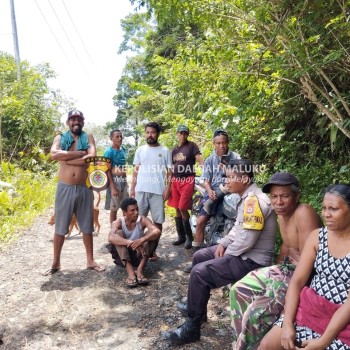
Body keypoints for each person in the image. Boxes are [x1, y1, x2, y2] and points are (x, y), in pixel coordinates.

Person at [161, 159, 278, 345]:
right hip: (242, 253)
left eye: (231, 177)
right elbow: (237, 230)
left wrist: (225, 253)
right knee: (200, 256)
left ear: (245, 179)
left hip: (252, 260)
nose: (227, 181)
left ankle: (192, 327)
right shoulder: (247, 197)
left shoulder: (254, 201)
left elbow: (247, 241)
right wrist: (223, 243)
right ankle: (199, 310)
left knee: (200, 273)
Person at [230, 172, 323, 349]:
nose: (278, 202)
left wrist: (294, 259)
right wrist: (278, 266)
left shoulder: (304, 212)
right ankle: (244, 341)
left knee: (256, 311)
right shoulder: (281, 214)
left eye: (284, 196)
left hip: (304, 277)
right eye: (274, 197)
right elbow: (287, 247)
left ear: (297, 196)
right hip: (287, 269)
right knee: (238, 290)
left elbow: (308, 263)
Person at [259, 183, 350, 350]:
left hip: (341, 322)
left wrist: (323, 341)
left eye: (334, 209)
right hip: (309, 310)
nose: (326, 215)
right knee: (266, 345)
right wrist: (287, 323)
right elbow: (297, 282)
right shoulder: (318, 237)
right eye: (323, 208)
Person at [43, 109, 104, 275]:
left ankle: (90, 260)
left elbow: (91, 156)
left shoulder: (88, 137)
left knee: (87, 225)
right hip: (65, 187)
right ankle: (56, 262)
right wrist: (78, 155)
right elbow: (54, 154)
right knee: (61, 225)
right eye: (73, 119)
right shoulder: (60, 138)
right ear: (68, 122)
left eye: (79, 119)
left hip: (84, 187)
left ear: (82, 122)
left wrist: (67, 159)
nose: (76, 121)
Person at [192, 129, 240, 252]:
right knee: (201, 221)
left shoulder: (235, 157)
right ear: (214, 144)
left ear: (228, 142)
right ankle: (196, 255)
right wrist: (209, 191)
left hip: (233, 190)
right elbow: (205, 179)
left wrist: (227, 171)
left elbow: (241, 175)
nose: (221, 146)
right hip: (214, 190)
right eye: (218, 143)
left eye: (224, 142)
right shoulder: (210, 160)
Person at [130, 122, 172, 261]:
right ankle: (138, 249)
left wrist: (167, 188)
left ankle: (152, 251)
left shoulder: (165, 150)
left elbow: (169, 172)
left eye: (153, 132)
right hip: (141, 190)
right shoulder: (140, 149)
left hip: (158, 191)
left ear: (158, 133)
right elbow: (136, 170)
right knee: (139, 221)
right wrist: (132, 188)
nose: (150, 135)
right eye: (147, 132)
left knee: (157, 222)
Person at [107, 197, 161, 287]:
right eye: (132, 210)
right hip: (123, 258)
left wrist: (142, 240)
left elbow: (157, 231)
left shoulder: (142, 220)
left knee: (150, 234)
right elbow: (111, 237)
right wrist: (130, 243)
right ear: (124, 213)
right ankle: (130, 272)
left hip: (140, 255)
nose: (136, 212)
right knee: (118, 233)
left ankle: (140, 270)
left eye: (137, 209)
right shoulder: (118, 222)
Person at [167, 125, 204, 249]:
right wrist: (168, 183)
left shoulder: (191, 145)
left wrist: (206, 171)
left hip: (188, 179)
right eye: (181, 133)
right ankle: (181, 236)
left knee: (183, 207)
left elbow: (199, 159)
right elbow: (171, 168)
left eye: (185, 133)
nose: (183, 135)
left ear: (187, 135)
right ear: (177, 134)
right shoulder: (174, 151)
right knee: (177, 208)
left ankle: (189, 237)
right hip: (175, 180)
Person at [104, 129, 128, 224]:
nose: (119, 138)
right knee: (114, 207)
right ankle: (113, 231)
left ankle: (126, 228)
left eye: (120, 136)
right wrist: (112, 187)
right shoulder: (109, 152)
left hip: (123, 180)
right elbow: (107, 170)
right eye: (117, 137)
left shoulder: (124, 149)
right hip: (114, 180)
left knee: (126, 205)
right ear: (111, 138)